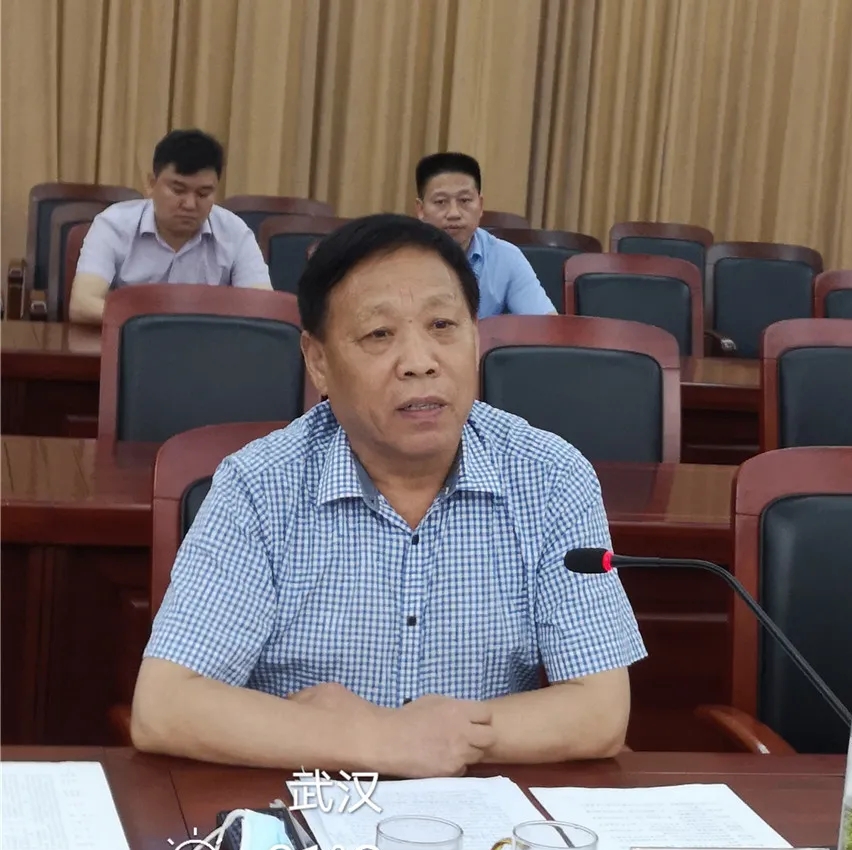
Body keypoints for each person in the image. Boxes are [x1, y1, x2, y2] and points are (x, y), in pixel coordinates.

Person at [130, 214, 646, 776]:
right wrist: (377, 740)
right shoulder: (259, 486)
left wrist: (441, 739)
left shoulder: (551, 477)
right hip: (303, 809)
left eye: (443, 325)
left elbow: (599, 712)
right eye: (379, 334)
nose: (420, 362)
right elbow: (165, 706)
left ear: (476, 337)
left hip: (473, 815)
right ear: (319, 361)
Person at [69, 129, 272, 324]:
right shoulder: (113, 225)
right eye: (178, 190)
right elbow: (82, 304)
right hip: (133, 343)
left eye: (203, 193)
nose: (190, 204)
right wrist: (153, 326)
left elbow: (263, 309)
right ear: (151, 184)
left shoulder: (235, 232)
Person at [415, 151, 555, 318]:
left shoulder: (506, 257)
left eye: (464, 200)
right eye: (440, 202)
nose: (454, 213)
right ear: (421, 210)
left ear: (480, 205)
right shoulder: (401, 257)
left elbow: (545, 325)